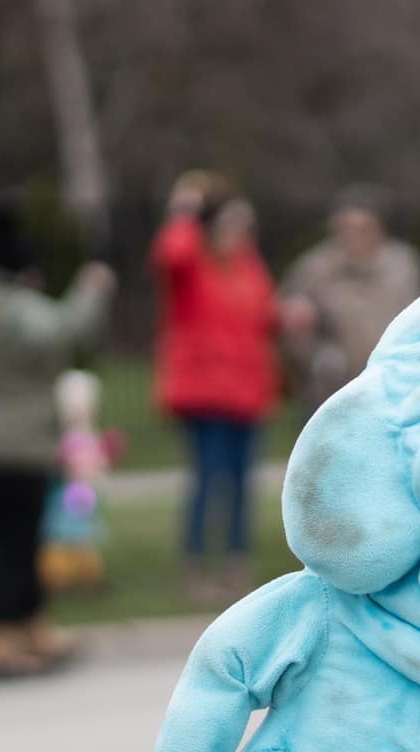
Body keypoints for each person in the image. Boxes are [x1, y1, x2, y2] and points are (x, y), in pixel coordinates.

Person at [0, 193, 115, 677]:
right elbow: (63, 331)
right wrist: (91, 288)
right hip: (9, 448)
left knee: (16, 539)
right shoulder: (11, 308)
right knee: (15, 542)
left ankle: (29, 624)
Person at [150, 171, 280, 603]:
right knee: (208, 481)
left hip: (246, 395)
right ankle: (195, 566)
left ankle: (235, 565)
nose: (238, 234)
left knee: (242, 484)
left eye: (245, 227)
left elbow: (264, 319)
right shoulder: (193, 269)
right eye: (230, 224)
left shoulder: (249, 269)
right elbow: (170, 255)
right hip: (205, 396)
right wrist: (184, 210)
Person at [277, 183, 420, 414]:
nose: (354, 236)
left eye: (363, 228)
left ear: (380, 229)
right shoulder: (314, 269)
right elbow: (290, 326)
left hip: (394, 388)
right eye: (346, 228)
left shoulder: (403, 266)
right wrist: (315, 357)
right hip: (334, 395)